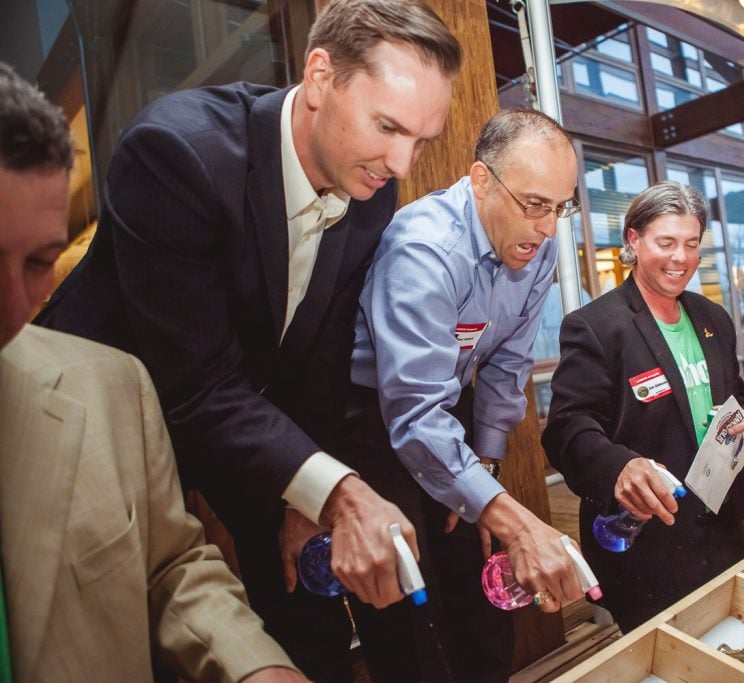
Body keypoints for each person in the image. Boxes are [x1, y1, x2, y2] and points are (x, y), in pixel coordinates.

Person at [33, 1, 461, 680]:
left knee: (303, 593)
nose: (403, 164)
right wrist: (339, 490)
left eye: (423, 139)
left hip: (238, 413)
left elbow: (319, 358)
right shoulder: (176, 153)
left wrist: (308, 494)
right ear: (320, 76)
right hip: (99, 422)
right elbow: (195, 384)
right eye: (388, 127)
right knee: (123, 625)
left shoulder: (371, 190)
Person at [0, 62, 307, 683]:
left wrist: (257, 669)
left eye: (37, 263)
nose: (12, 306)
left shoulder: (113, 389)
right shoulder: (179, 152)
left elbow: (168, 569)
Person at [346, 108, 584, 681]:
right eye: (534, 205)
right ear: (481, 180)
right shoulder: (423, 251)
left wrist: (485, 462)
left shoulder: (537, 245)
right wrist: (517, 521)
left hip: (451, 406)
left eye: (560, 207)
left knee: (478, 591)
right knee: (410, 608)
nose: (548, 228)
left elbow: (508, 361)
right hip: (370, 420)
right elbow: (413, 412)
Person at [541, 182, 744, 633]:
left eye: (691, 244)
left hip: (728, 526)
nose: (680, 258)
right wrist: (619, 467)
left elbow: (736, 395)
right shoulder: (597, 326)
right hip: (650, 542)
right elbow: (567, 428)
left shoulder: (712, 319)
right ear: (633, 241)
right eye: (666, 243)